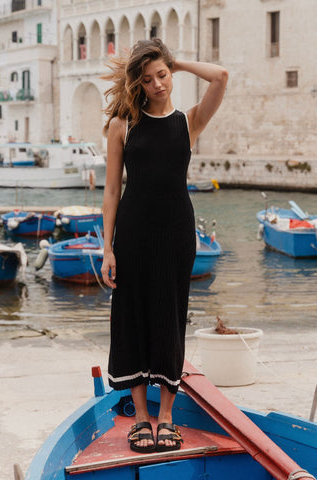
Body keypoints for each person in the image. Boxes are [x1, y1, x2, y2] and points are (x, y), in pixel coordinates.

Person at [101, 38, 228, 454]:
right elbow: (111, 192)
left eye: (163, 75)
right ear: (137, 82)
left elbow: (221, 77)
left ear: (170, 72)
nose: (158, 84)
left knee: (170, 319)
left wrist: (178, 62)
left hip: (176, 234)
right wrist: (107, 248)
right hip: (133, 235)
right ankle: (140, 417)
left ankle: (167, 417)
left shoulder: (188, 121)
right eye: (149, 78)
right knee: (132, 317)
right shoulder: (122, 125)